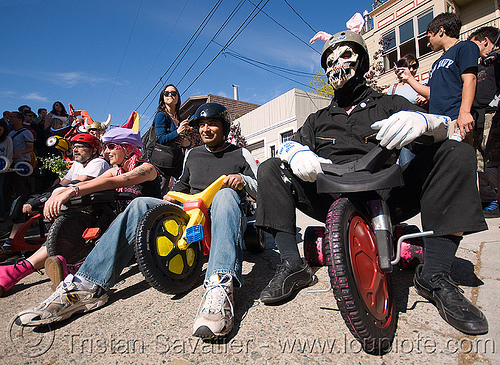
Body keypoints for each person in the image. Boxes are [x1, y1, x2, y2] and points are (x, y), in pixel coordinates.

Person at [256, 29, 488, 336]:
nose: (337, 65)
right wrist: (294, 151)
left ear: (362, 60)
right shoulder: (317, 119)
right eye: (330, 60)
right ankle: (292, 265)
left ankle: (435, 274)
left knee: (455, 152)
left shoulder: (390, 103)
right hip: (331, 196)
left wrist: (427, 121)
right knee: (271, 168)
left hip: (389, 192)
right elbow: (289, 148)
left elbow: (444, 131)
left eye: (345, 55)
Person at [16, 103, 258, 341]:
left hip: (223, 212)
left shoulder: (240, 153)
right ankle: (87, 285)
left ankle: (219, 285)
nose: (205, 129)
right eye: (202, 125)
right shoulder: (192, 154)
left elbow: (259, 190)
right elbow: (182, 185)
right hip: (191, 210)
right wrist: (167, 197)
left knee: (225, 194)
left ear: (224, 127)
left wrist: (242, 181)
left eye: (212, 124)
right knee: (140, 204)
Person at [0, 133, 109, 295]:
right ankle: (11, 243)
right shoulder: (77, 164)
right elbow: (61, 183)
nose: (75, 150)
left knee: (50, 208)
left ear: (94, 150)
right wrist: (41, 197)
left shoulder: (98, 162)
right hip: (74, 207)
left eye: (80, 147)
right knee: (23, 201)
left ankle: (19, 269)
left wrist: (43, 200)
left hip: (92, 212)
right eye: (74, 147)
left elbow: (79, 182)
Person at [396, 13, 479, 141]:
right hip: (438, 123)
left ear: (441, 31)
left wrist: (465, 113)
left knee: (457, 159)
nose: (428, 43)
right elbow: (430, 93)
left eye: (429, 37)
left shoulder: (465, 47)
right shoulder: (436, 63)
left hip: (456, 119)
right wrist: (408, 78)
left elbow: (470, 79)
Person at [469, 26, 500, 217]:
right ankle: (488, 201)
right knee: (480, 165)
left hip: (492, 116)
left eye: (474, 44)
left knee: (494, 162)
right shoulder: (477, 67)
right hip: (476, 119)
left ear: (486, 41)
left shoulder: (496, 64)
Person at [152, 84, 191, 194]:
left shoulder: (178, 118)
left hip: (177, 161)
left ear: (178, 97)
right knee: (159, 194)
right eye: (167, 93)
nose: (170, 95)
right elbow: (161, 139)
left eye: (174, 93)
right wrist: (177, 132)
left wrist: (187, 143)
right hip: (163, 164)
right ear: (163, 98)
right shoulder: (161, 115)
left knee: (185, 188)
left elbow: (182, 140)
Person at [5, 111, 34, 209]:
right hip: (11, 163)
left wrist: (20, 152)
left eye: (13, 117)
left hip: (22, 165)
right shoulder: (11, 133)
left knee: (21, 188)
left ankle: (24, 209)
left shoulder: (26, 132)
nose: (10, 118)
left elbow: (30, 148)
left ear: (20, 119)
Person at [0, 118, 13, 218]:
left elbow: (9, 155)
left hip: (2, 169)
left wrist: (5, 166)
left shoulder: (7, 139)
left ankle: (1, 214)